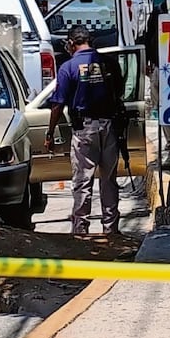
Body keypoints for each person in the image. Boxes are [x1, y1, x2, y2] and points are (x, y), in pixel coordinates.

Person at [46, 25, 126, 234]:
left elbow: (57, 104)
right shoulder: (108, 62)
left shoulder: (68, 67)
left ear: (72, 44)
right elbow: (120, 91)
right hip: (109, 127)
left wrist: (49, 133)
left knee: (82, 181)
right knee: (109, 180)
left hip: (84, 130)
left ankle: (80, 232)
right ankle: (111, 230)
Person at [140, 0, 170, 170]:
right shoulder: (159, 11)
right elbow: (149, 37)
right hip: (161, 67)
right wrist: (148, 61)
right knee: (165, 111)